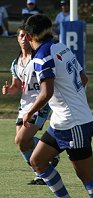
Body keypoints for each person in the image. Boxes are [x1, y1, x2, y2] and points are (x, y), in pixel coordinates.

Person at [23, 14, 93, 197]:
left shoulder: (41, 56)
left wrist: (29, 113)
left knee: (86, 176)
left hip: (73, 123)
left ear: (29, 37)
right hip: (63, 122)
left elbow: (46, 93)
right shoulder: (61, 47)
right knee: (38, 161)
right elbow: (84, 79)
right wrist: (69, 103)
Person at [2, 25, 59, 185]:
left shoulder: (39, 58)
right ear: (17, 39)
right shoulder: (16, 63)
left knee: (21, 139)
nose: (24, 39)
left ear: (32, 38)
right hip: (24, 106)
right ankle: (42, 172)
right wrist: (9, 89)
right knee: (22, 143)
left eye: (27, 36)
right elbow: (16, 87)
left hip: (40, 105)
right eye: (21, 36)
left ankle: (48, 156)